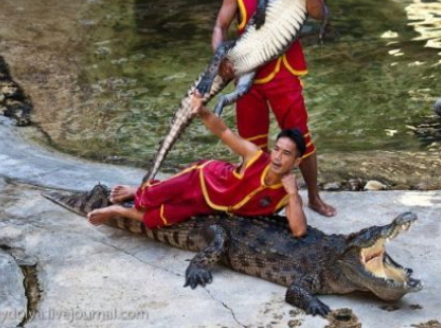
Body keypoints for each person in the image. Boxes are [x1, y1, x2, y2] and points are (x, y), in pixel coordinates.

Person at [211, 0, 336, 217]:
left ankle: (314, 197)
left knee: (301, 138)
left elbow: (319, 13)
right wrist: (220, 57)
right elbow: (220, 26)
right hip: (249, 80)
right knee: (252, 144)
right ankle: (258, 199)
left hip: (284, 74)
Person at [87, 92, 308, 237]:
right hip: (201, 179)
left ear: (296, 161)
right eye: (276, 149)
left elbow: (298, 231)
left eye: (286, 153)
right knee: (147, 199)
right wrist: (202, 110)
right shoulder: (255, 157)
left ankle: (117, 210)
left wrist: (294, 195)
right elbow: (224, 131)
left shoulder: (287, 194)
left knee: (158, 219)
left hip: (210, 205)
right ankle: (136, 191)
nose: (277, 157)